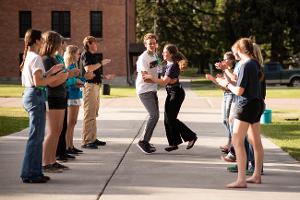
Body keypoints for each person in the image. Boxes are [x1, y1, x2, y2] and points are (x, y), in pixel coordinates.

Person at [216, 38, 265, 188]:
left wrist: (225, 84)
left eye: (235, 50)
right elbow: (240, 81)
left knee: (237, 141)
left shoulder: (246, 64)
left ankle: (241, 179)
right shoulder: (254, 63)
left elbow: (239, 90)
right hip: (256, 104)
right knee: (255, 141)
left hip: (245, 105)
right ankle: (256, 175)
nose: (234, 53)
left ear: (241, 50)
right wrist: (226, 72)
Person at [20, 29, 67, 183]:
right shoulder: (36, 58)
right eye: (41, 39)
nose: (43, 42)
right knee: (36, 138)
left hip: (31, 95)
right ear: (37, 41)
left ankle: (32, 172)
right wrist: (59, 76)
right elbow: (38, 82)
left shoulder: (30, 57)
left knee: (36, 137)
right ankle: (31, 174)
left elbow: (39, 78)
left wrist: (51, 72)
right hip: (36, 95)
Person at [143, 44, 198, 152]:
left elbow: (163, 82)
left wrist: (151, 78)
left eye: (165, 52)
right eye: (163, 52)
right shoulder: (165, 63)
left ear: (171, 54)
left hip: (177, 93)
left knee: (171, 119)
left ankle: (191, 136)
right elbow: (149, 64)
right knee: (167, 119)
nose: (163, 53)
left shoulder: (173, 65)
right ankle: (174, 143)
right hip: (171, 92)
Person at [41, 31, 69, 172]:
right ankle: (46, 163)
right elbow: (50, 83)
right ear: (53, 43)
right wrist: (66, 76)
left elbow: (60, 77)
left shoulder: (55, 59)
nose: (60, 44)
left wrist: (65, 76)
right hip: (53, 97)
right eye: (59, 41)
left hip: (60, 96)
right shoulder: (46, 59)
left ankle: (52, 161)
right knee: (52, 131)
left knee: (58, 131)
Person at [80, 36, 111, 149]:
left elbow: (94, 71)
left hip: (96, 86)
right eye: (95, 43)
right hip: (90, 87)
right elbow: (88, 69)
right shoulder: (86, 54)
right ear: (89, 44)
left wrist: (103, 76)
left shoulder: (92, 56)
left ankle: (93, 138)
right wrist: (101, 63)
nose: (97, 45)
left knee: (94, 113)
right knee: (89, 114)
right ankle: (87, 140)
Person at [206, 52, 236, 153]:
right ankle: (231, 143)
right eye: (223, 59)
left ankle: (231, 144)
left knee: (228, 121)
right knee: (225, 120)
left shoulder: (232, 70)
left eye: (226, 59)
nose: (223, 61)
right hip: (226, 95)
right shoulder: (227, 71)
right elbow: (223, 86)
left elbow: (230, 84)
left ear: (232, 60)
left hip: (231, 95)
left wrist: (214, 79)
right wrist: (216, 79)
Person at [135, 33, 160, 154]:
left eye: (154, 43)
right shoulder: (143, 58)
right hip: (144, 90)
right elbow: (145, 77)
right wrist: (161, 82)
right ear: (145, 45)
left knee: (156, 116)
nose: (152, 45)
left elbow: (158, 70)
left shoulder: (155, 55)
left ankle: (146, 141)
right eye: (150, 43)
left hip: (153, 89)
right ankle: (143, 141)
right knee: (154, 115)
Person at [64, 45, 85, 155]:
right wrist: (79, 82)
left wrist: (83, 80)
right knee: (70, 122)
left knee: (73, 122)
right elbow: (71, 82)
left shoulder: (74, 65)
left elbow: (80, 80)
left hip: (77, 95)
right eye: (77, 53)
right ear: (72, 54)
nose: (79, 55)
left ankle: (71, 145)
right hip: (71, 96)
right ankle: (67, 146)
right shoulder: (68, 67)